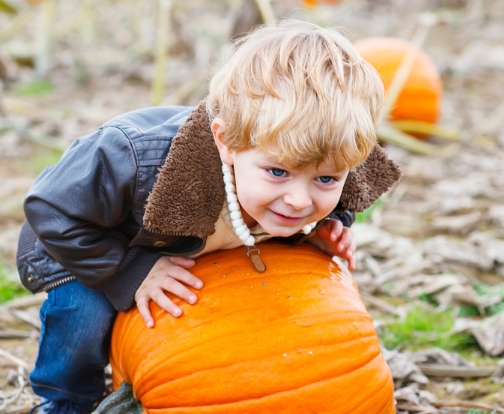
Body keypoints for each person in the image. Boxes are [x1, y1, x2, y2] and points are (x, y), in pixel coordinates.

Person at [16, 19, 401, 414]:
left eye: (325, 178)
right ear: (226, 142)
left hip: (169, 246)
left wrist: (326, 228)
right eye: (278, 172)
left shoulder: (331, 159)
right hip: (80, 241)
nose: (300, 201)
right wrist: (132, 272)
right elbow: (50, 208)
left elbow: (339, 200)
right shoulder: (133, 161)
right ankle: (63, 401)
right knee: (84, 318)